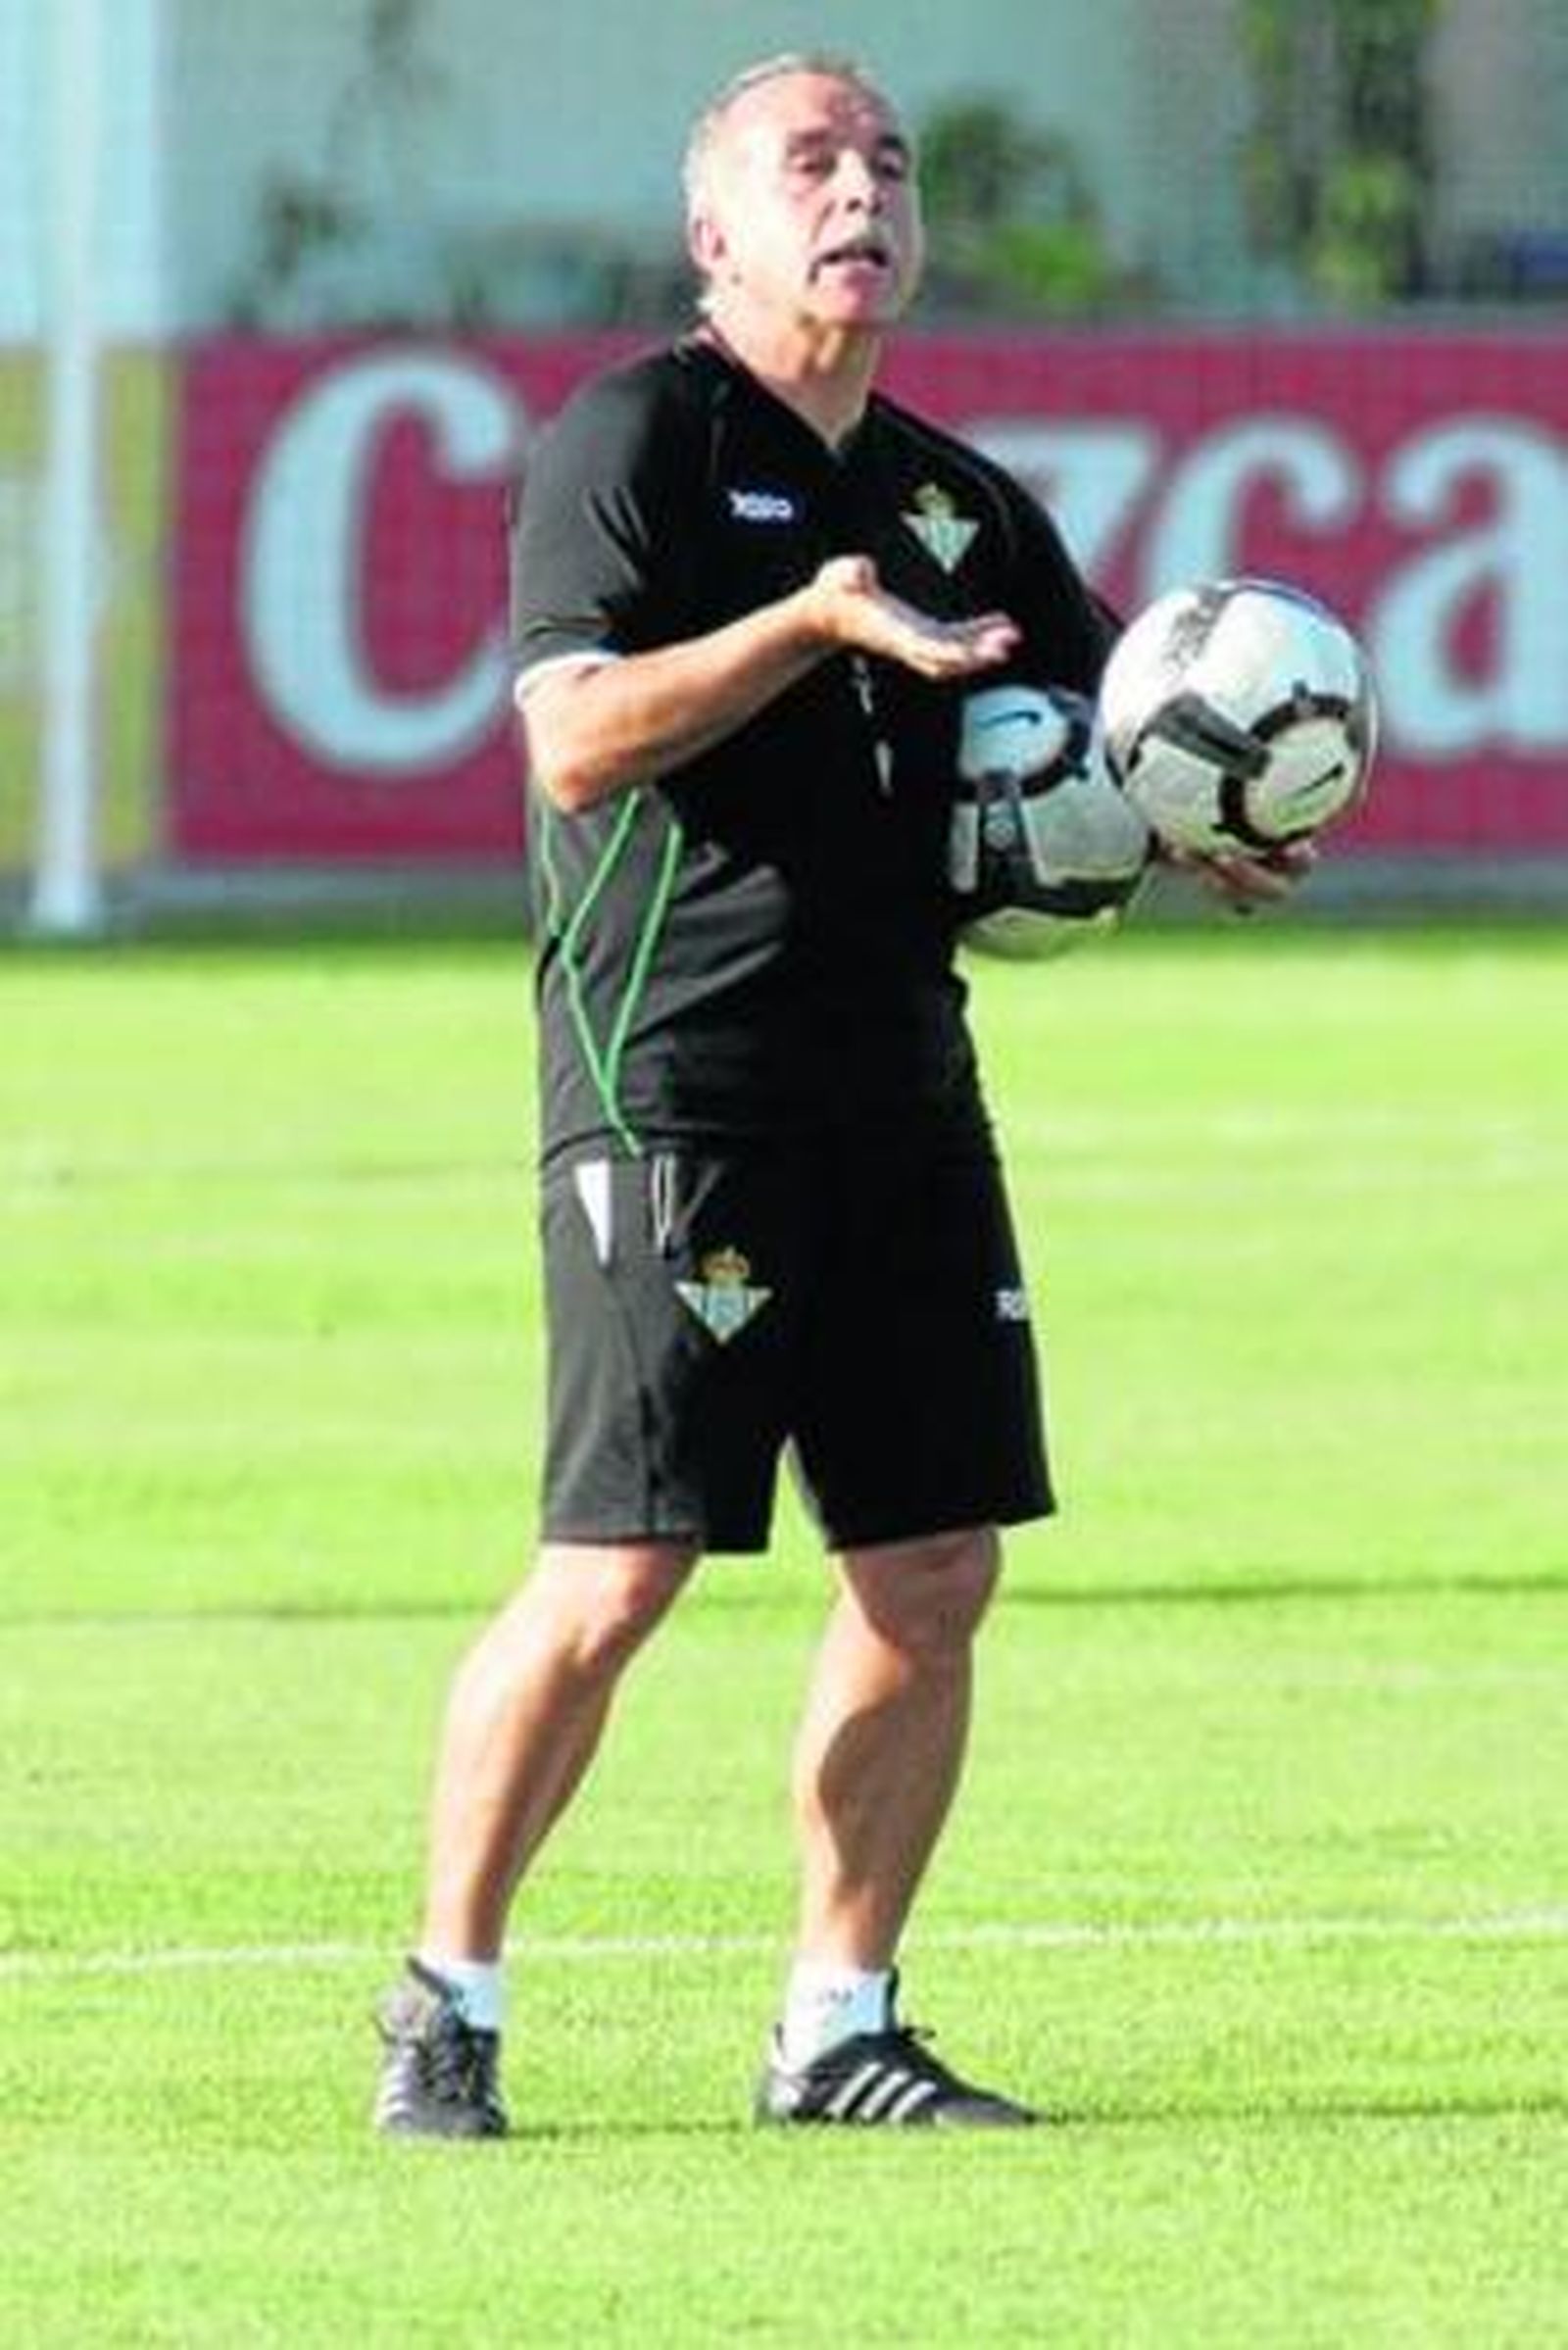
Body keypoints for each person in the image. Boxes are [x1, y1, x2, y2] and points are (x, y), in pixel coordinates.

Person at [373, 50, 1301, 2139]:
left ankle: (836, 2023)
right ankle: (444, 2001)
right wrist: (802, 624)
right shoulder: (634, 442)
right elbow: (576, 742)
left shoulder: (960, 499)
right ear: (715, 229)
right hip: (673, 1083)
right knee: (616, 1568)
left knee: (930, 1564)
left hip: (903, 1085)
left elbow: (1087, 745)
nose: (857, 188)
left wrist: (1196, 827)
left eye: (882, 160)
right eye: (809, 160)